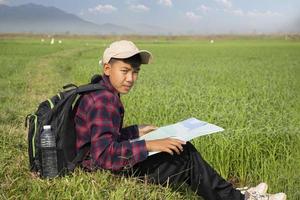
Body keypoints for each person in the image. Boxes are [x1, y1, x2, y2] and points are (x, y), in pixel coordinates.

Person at [74, 40, 286, 200]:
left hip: (92, 163)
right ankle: (239, 198)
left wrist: (136, 131)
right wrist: (150, 145)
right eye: (125, 71)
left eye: (135, 72)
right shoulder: (104, 101)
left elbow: (104, 138)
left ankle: (229, 192)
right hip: (99, 169)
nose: (131, 78)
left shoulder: (101, 91)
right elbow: (103, 155)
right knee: (183, 153)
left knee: (181, 151)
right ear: (107, 69)